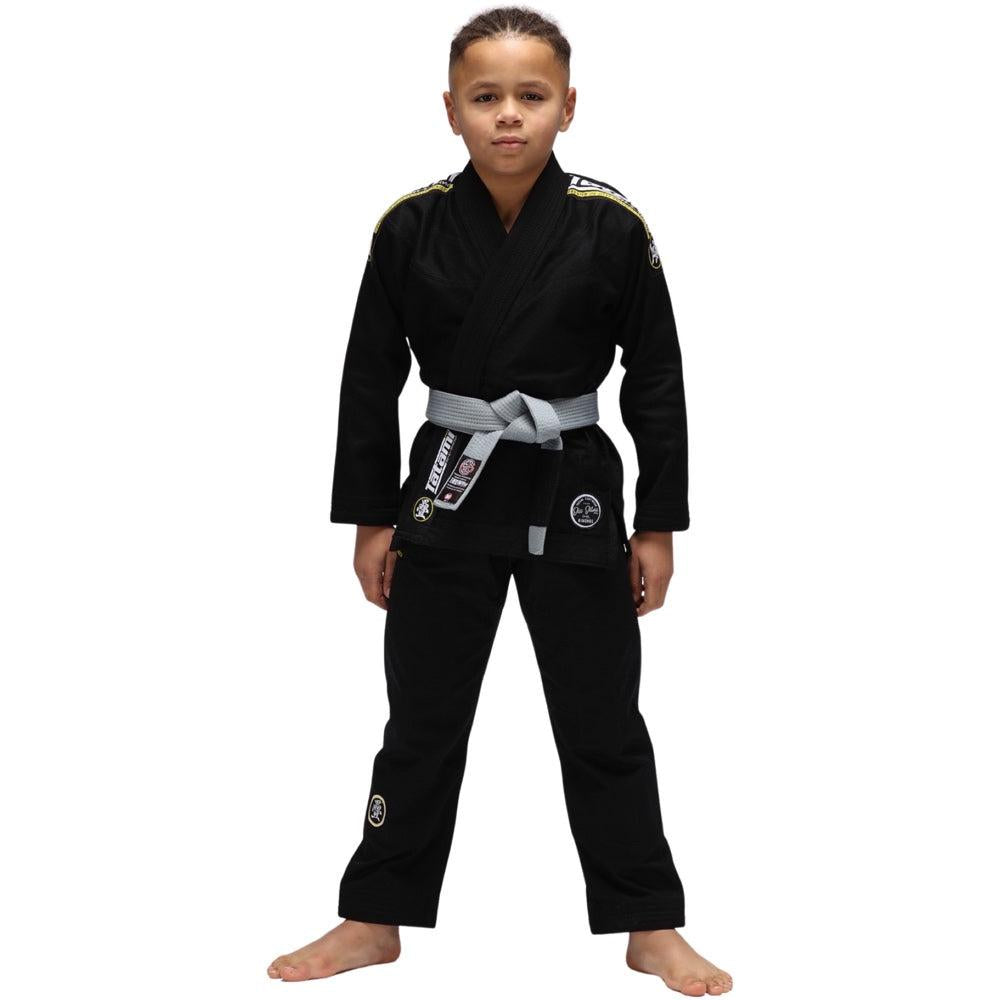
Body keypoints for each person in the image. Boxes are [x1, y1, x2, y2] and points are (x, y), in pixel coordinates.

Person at [268, 7, 732, 996]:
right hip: (447, 488)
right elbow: (367, 380)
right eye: (486, 97)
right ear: (451, 109)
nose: (509, 116)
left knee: (602, 717)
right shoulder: (411, 226)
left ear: (569, 105)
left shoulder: (611, 226)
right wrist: (371, 517)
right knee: (421, 716)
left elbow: (657, 378)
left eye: (531, 95)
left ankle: (648, 921)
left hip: (574, 490)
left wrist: (659, 523)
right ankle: (375, 914)